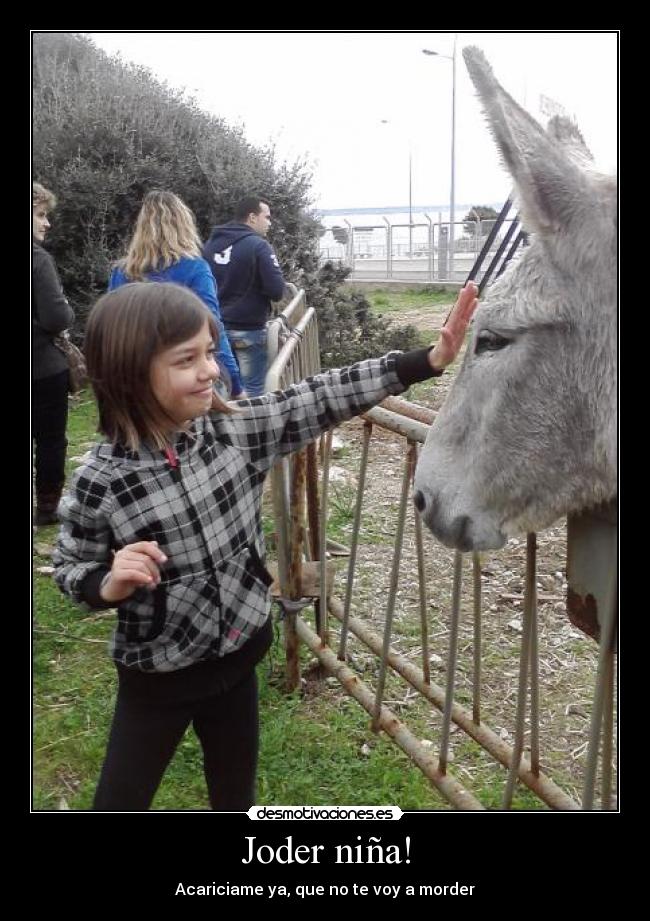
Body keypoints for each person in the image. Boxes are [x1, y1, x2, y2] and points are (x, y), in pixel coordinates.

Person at [52, 279, 478, 811]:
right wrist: (107, 583)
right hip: (157, 678)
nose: (211, 369)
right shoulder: (101, 480)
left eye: (209, 351)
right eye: (187, 360)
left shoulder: (233, 431)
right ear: (129, 373)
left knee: (236, 797)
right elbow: (69, 567)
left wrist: (426, 361)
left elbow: (321, 395)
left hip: (240, 657)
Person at [109, 189, 245, 398]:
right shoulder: (194, 268)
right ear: (184, 224)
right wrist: (235, 383)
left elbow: (113, 331)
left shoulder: (122, 272)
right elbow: (212, 327)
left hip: (139, 376)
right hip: (190, 375)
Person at [203, 195, 288, 396]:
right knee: (252, 392)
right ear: (252, 217)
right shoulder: (258, 246)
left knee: (222, 389)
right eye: (266, 217)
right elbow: (276, 291)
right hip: (249, 330)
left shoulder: (210, 245)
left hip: (216, 330)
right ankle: (254, 426)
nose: (270, 223)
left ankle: (224, 426)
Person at [32, 181, 75, 526]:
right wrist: (68, 313)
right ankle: (47, 507)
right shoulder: (37, 260)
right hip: (41, 366)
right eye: (40, 214)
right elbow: (56, 316)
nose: (46, 224)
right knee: (49, 439)